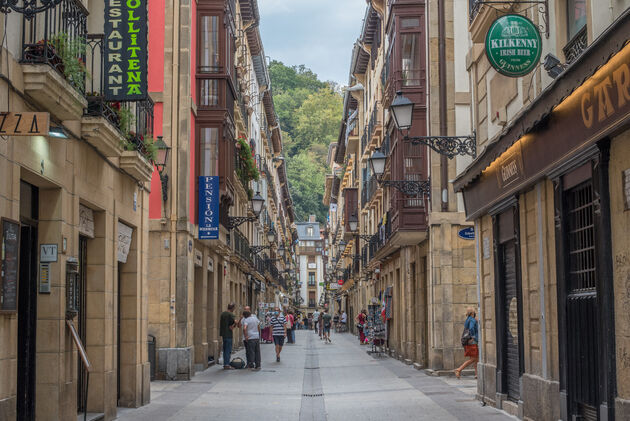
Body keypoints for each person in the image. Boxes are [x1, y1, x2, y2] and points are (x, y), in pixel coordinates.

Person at [455, 308, 479, 379]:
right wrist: (474, 337)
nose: (475, 313)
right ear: (472, 313)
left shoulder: (468, 319)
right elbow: (471, 328)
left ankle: (477, 374)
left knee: (476, 358)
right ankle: (459, 369)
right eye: (474, 312)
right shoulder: (472, 320)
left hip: (469, 342)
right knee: (473, 359)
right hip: (472, 342)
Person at [220, 303, 237, 369]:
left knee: (225, 349)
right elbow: (235, 322)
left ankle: (225, 363)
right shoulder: (231, 314)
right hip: (229, 334)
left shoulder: (223, 314)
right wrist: (232, 326)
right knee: (228, 350)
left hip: (224, 334)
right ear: (232, 308)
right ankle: (227, 364)